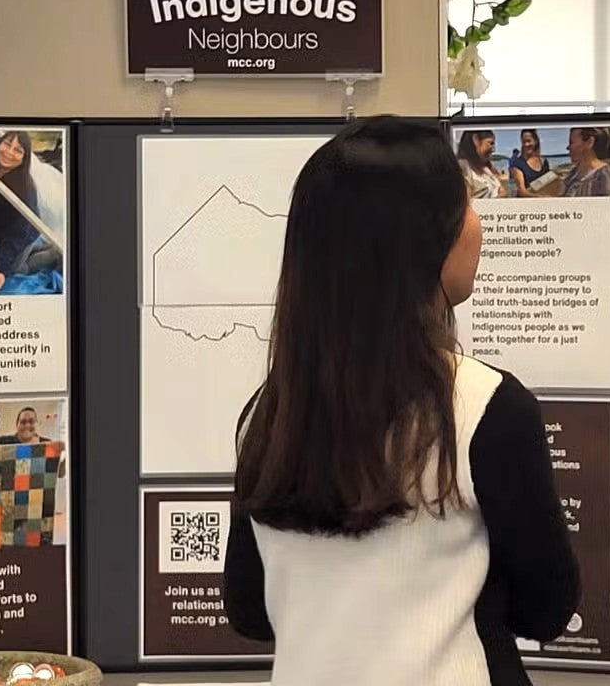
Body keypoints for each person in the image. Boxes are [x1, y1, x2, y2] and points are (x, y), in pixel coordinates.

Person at [223, 116, 579, 686]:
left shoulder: (268, 413)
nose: (478, 224)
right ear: (420, 240)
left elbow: (248, 609)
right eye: (466, 205)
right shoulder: (487, 406)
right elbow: (547, 606)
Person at [0, 130, 65, 295]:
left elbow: (16, 234)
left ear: (25, 158)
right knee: (10, 259)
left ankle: (53, 253)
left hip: (23, 233)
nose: (9, 152)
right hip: (3, 232)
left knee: (17, 270)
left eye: (18, 150)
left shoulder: (24, 189)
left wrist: (1, 270)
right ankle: (43, 247)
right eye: (7, 144)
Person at [507, 128, 563, 197]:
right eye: (523, 142)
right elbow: (521, 191)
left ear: (535, 141)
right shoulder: (518, 163)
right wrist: (540, 197)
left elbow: (548, 183)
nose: (526, 144)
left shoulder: (544, 162)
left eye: (528, 141)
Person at [456, 129, 508, 198]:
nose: (493, 149)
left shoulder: (487, 168)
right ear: (476, 139)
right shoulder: (463, 168)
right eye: (490, 143)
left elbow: (501, 190)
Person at [563, 127, 610, 197]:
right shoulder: (574, 173)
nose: (568, 147)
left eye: (571, 142)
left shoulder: (604, 178)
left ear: (590, 142)